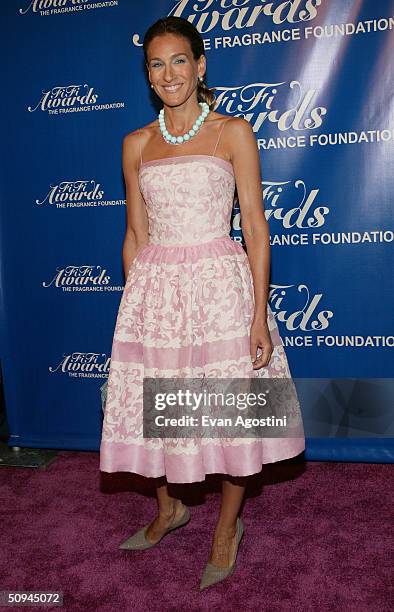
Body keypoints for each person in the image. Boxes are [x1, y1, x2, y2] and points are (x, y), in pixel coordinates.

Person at [100, 16, 305, 591]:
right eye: (156, 65)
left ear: (201, 65)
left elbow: (257, 229)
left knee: (233, 413)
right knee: (156, 411)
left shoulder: (233, 132)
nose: (169, 74)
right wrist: (134, 307)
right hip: (156, 290)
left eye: (179, 61)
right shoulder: (135, 144)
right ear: (148, 74)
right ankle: (170, 510)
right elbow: (135, 234)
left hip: (220, 288)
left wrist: (258, 313)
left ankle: (225, 530)